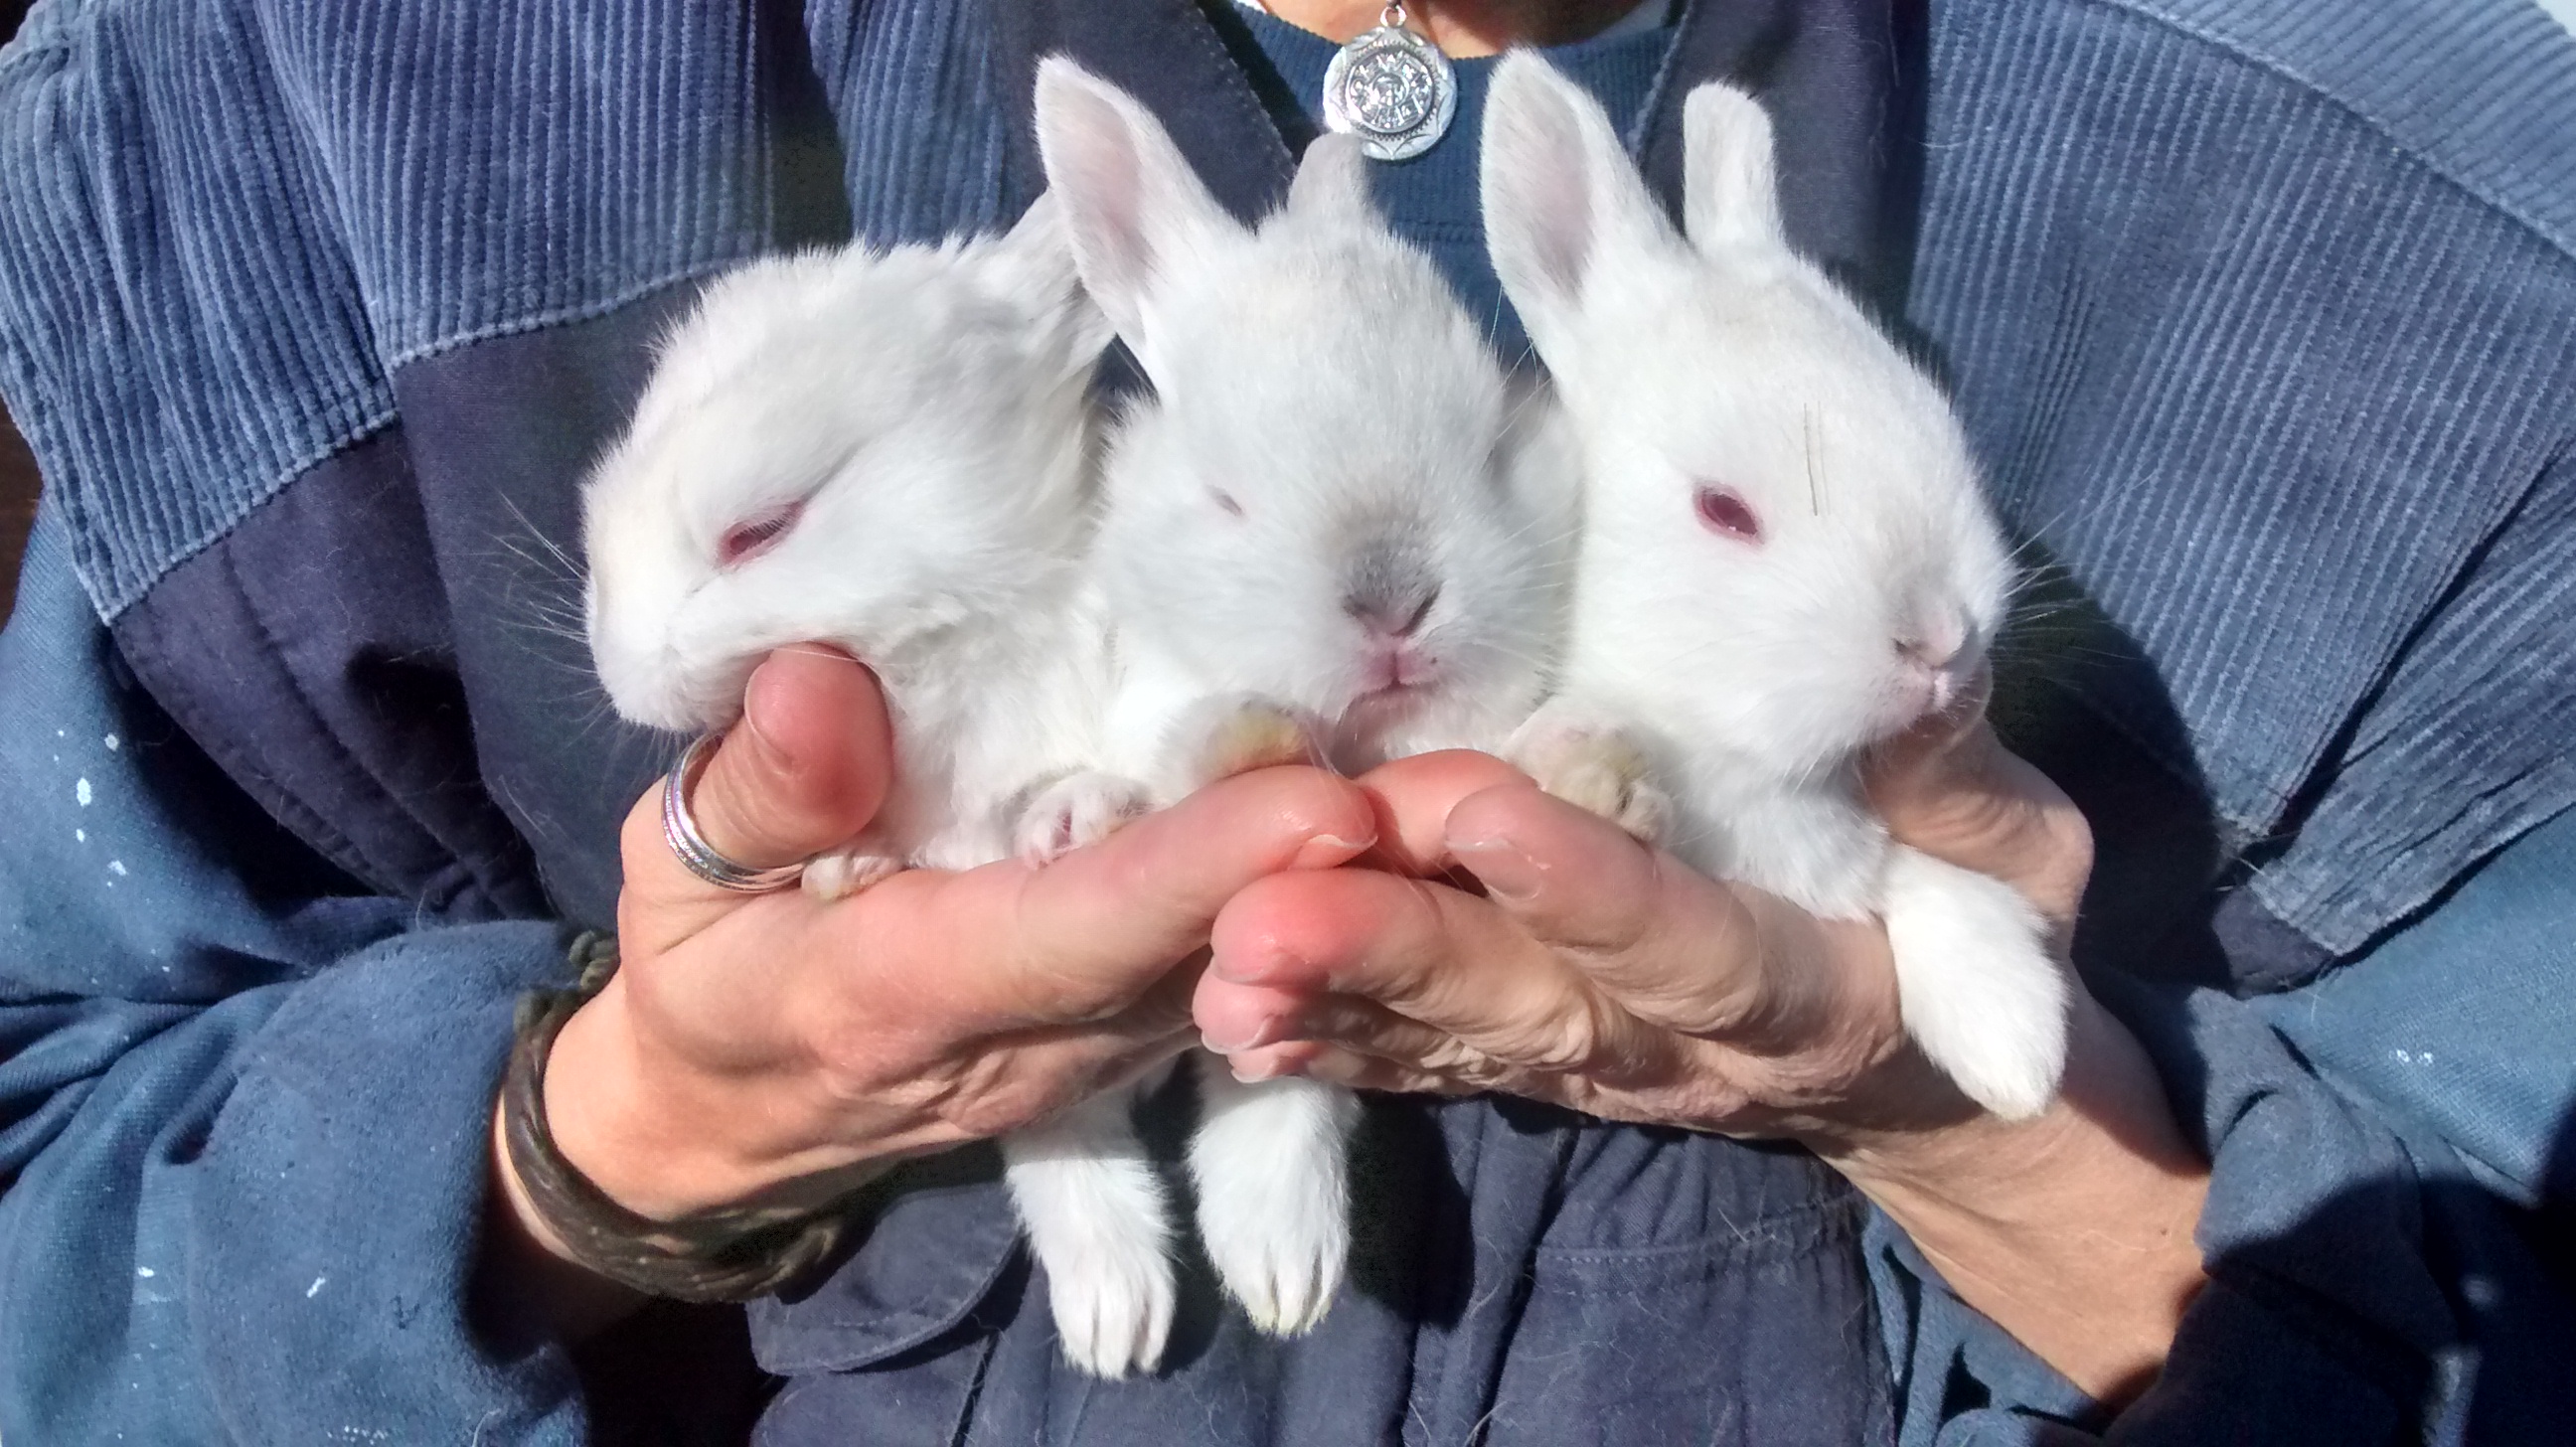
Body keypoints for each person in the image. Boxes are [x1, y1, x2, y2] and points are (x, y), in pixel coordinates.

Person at [1, 0, 2570, 1442]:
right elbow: (62, 1183)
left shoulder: (2419, 226)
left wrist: (1981, 1139)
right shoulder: (353, 111)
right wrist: (641, 1130)